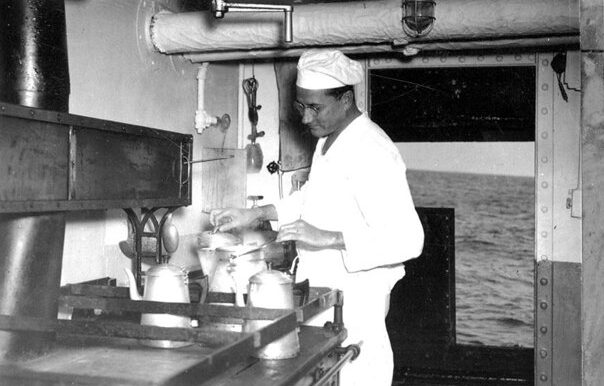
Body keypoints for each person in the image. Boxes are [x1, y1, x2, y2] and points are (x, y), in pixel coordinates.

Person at [210, 49, 424, 386]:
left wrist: (328, 237)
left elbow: (409, 239)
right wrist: (255, 214)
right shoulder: (330, 142)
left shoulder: (372, 149)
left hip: (355, 304)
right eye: (300, 107)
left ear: (345, 99)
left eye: (315, 108)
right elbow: (312, 197)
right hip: (326, 299)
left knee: (356, 375)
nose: (306, 118)